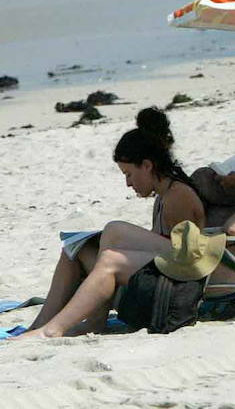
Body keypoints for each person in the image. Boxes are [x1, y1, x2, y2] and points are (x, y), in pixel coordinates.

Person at [24, 122, 235, 338]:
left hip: (222, 271)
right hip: (222, 263)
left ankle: (53, 330)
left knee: (111, 255)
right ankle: (74, 323)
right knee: (112, 235)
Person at [29, 108, 205, 331]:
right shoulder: (164, 195)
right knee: (73, 251)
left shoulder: (178, 195)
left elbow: (187, 258)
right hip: (151, 274)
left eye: (129, 174)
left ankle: (95, 319)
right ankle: (39, 324)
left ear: (148, 165)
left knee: (113, 231)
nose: (128, 184)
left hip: (172, 285)